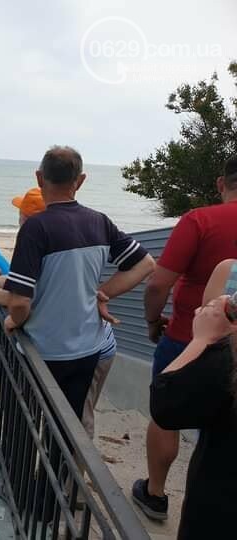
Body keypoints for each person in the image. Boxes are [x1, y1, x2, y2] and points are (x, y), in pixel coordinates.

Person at [3, 146, 154, 421]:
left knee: (27, 421)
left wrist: (16, 320)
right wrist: (100, 294)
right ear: (80, 180)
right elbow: (145, 264)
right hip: (87, 348)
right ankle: (63, 465)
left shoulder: (35, 228)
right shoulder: (99, 222)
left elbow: (19, 301)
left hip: (44, 350)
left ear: (39, 178)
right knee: (68, 425)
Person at [133, 154, 237, 521]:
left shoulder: (200, 219)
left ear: (221, 184)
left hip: (189, 337)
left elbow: (158, 283)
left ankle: (155, 494)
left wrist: (151, 322)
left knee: (166, 416)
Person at [149, 294, 237, 538]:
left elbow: (165, 406)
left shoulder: (226, 359)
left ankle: (153, 492)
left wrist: (202, 339)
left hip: (219, 512)